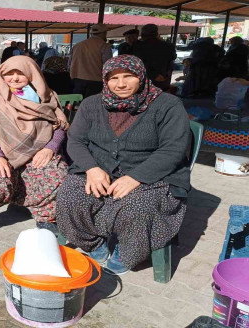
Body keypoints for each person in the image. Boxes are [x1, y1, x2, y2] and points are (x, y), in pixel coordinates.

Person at [56, 55, 191, 275]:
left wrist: (136, 177)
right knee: (69, 197)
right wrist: (91, 168)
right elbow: (76, 140)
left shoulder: (167, 105)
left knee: (137, 207)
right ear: (105, 80)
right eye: (113, 78)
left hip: (154, 174)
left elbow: (173, 149)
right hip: (99, 169)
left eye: (129, 76)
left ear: (141, 76)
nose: (121, 83)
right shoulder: (92, 104)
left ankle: (126, 251)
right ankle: (93, 243)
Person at [0, 56, 69, 245]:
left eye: (20, 73)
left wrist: (49, 148)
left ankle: (46, 218)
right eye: (9, 73)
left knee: (56, 173)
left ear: (32, 74)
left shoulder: (47, 95)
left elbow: (60, 126)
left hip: (37, 151)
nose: (14, 78)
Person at [69, 23, 112, 97]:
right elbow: (107, 65)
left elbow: (69, 64)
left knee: (77, 104)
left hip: (77, 79)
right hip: (96, 81)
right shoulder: (104, 46)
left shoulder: (77, 45)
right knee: (92, 105)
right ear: (104, 33)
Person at [132, 24, 176, 91]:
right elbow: (172, 59)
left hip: (147, 79)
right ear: (156, 33)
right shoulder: (168, 46)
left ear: (143, 35)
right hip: (164, 79)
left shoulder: (138, 47)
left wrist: (154, 75)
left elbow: (139, 64)